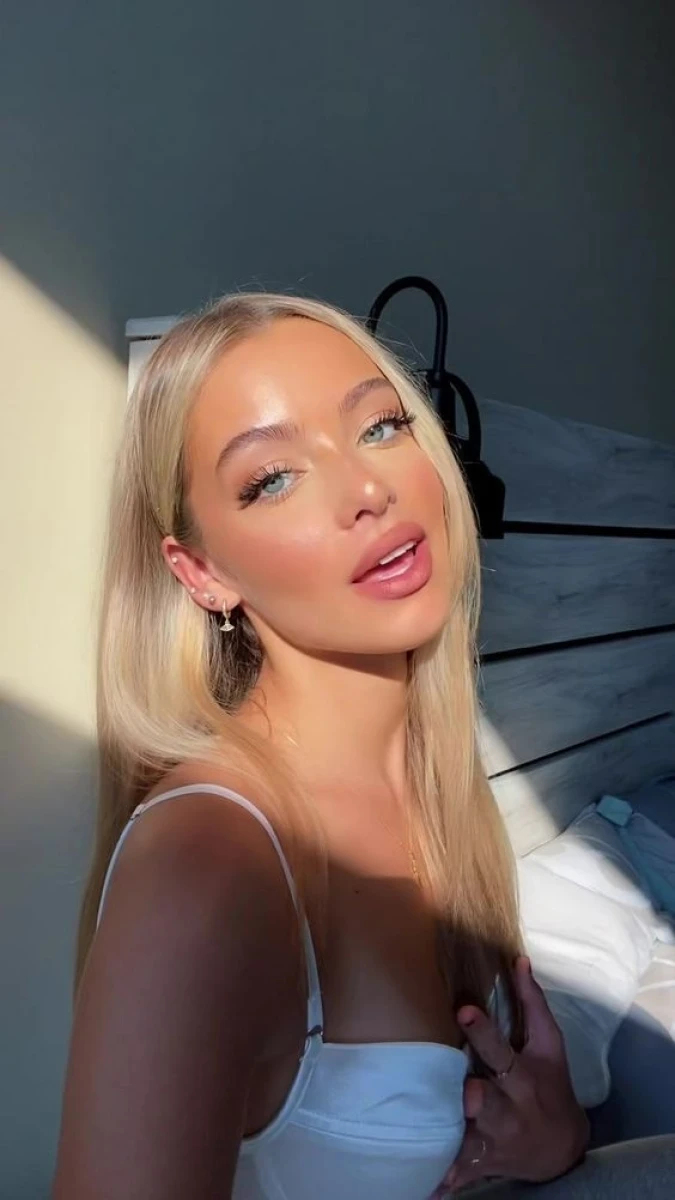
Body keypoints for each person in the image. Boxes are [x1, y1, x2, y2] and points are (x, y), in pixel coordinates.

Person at [52, 293, 674, 1199]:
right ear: (203, 572)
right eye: (272, 478)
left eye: (381, 426)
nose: (367, 490)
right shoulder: (206, 861)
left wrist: (550, 1137)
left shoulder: (436, 779)